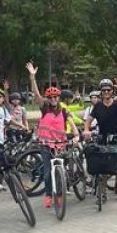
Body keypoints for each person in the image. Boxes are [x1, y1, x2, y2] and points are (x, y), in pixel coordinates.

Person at [28, 62, 73, 209]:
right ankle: (48, 194)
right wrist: (32, 77)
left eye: (55, 97)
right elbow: (36, 94)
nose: (53, 99)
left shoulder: (63, 111)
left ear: (59, 98)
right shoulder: (45, 108)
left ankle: (59, 194)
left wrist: (77, 135)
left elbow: (72, 124)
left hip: (60, 144)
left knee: (60, 171)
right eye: (51, 97)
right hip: (46, 144)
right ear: (48, 98)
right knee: (48, 172)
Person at [84, 76, 117, 203]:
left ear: (112, 91)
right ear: (101, 92)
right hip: (103, 140)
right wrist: (86, 130)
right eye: (104, 90)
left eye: (109, 90)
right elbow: (89, 120)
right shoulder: (97, 106)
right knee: (103, 168)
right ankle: (103, 193)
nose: (106, 92)